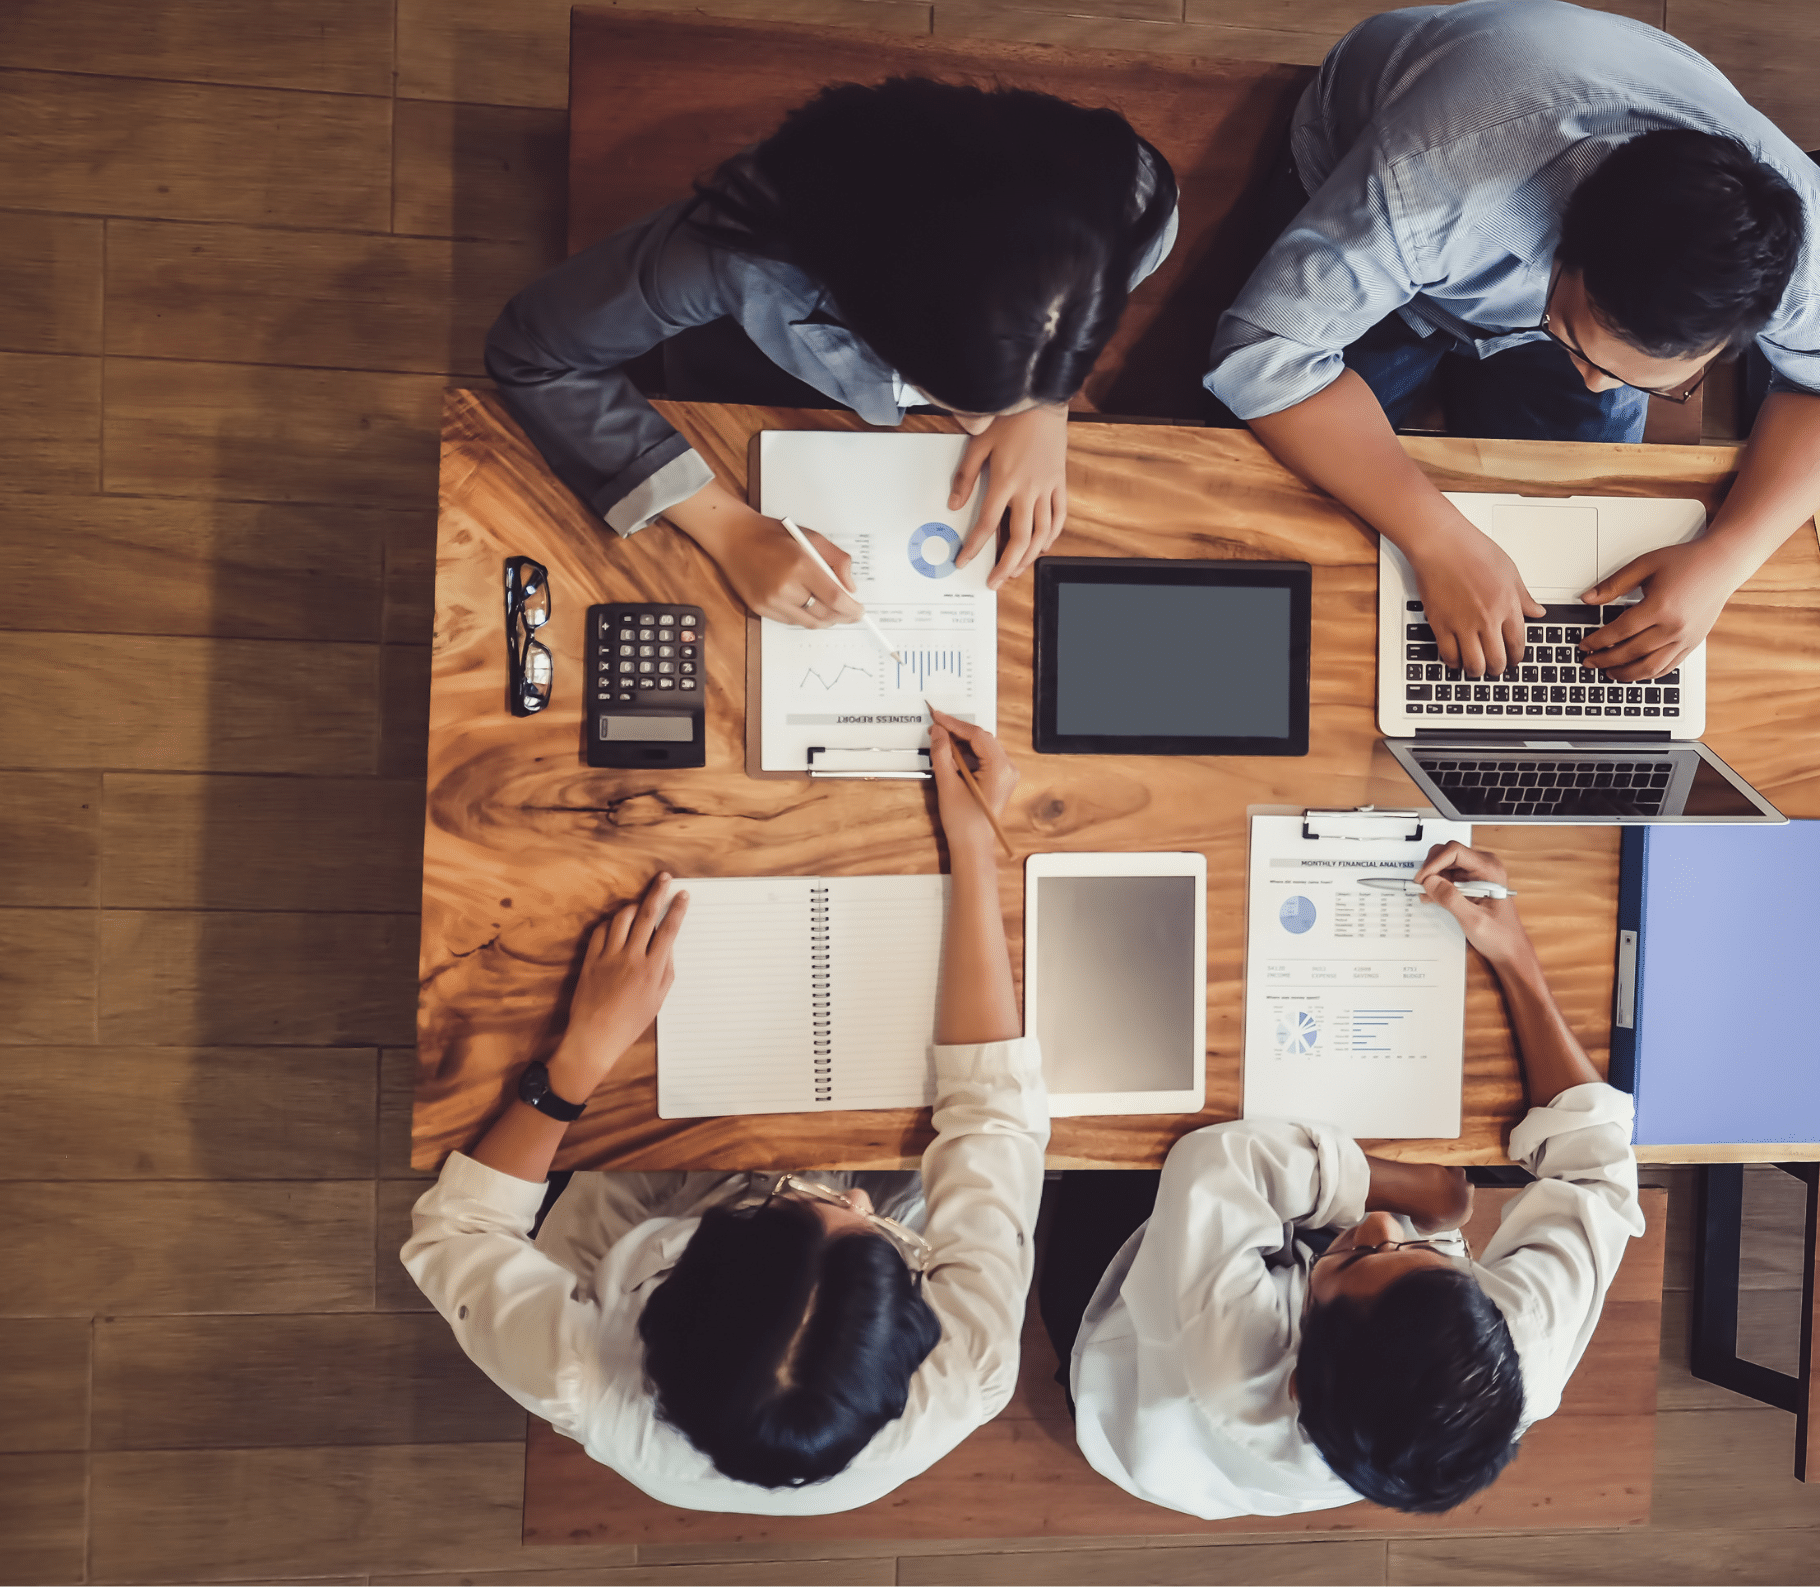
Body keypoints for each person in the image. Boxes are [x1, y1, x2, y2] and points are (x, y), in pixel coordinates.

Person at [400, 711, 1044, 1514]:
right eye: (865, 1228)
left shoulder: (575, 1372)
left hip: (655, 1190)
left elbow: (454, 1233)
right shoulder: (969, 1370)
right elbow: (992, 1112)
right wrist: (973, 846)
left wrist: (580, 1058)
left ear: (672, 1289)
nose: (853, 1196)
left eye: (789, 1205)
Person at [1208, 0, 1820, 689]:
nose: (1595, 384)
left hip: (1521, 169)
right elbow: (1260, 352)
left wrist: (1727, 556)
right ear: (1560, 246)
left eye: (1656, 381)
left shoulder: (1806, 255)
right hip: (1363, 155)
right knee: (1256, 497)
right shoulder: (1431, 184)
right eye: (1576, 343)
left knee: (1580, 536)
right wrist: (1434, 535)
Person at [1045, 840, 1643, 1517]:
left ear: (1295, 1373)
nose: (1382, 1227)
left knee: (1124, 1115)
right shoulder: (1514, 1349)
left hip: (1128, 1369)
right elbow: (1596, 1163)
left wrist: (1422, 1197)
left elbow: (1213, 1162)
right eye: (1426, 1254)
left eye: (1359, 1254)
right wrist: (1512, 955)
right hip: (1308, 1359)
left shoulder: (1234, 1367)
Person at [487, 78, 1179, 622]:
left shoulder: (1131, 197)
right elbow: (534, 352)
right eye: (957, 400)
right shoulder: (737, 255)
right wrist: (728, 532)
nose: (976, 425)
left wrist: (1041, 403)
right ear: (876, 316)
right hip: (742, 383)